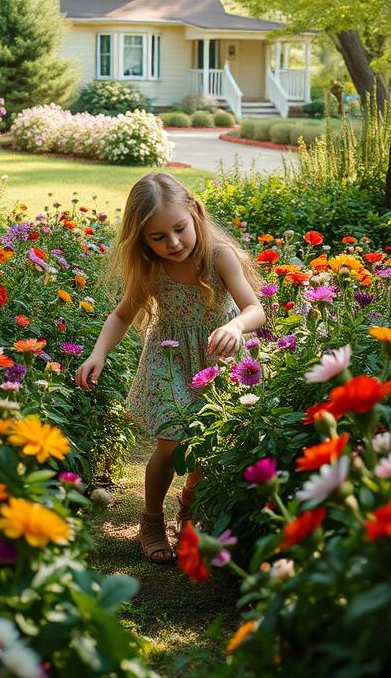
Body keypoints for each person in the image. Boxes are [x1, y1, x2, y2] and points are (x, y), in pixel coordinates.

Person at [75, 172, 264, 565]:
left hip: (219, 354)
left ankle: (190, 507)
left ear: (195, 212)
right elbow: (122, 315)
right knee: (171, 440)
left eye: (179, 229)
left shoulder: (218, 256)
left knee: (211, 442)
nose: (172, 243)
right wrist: (98, 353)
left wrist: (233, 325)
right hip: (170, 357)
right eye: (157, 237)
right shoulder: (151, 268)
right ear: (142, 239)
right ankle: (151, 519)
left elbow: (255, 309)